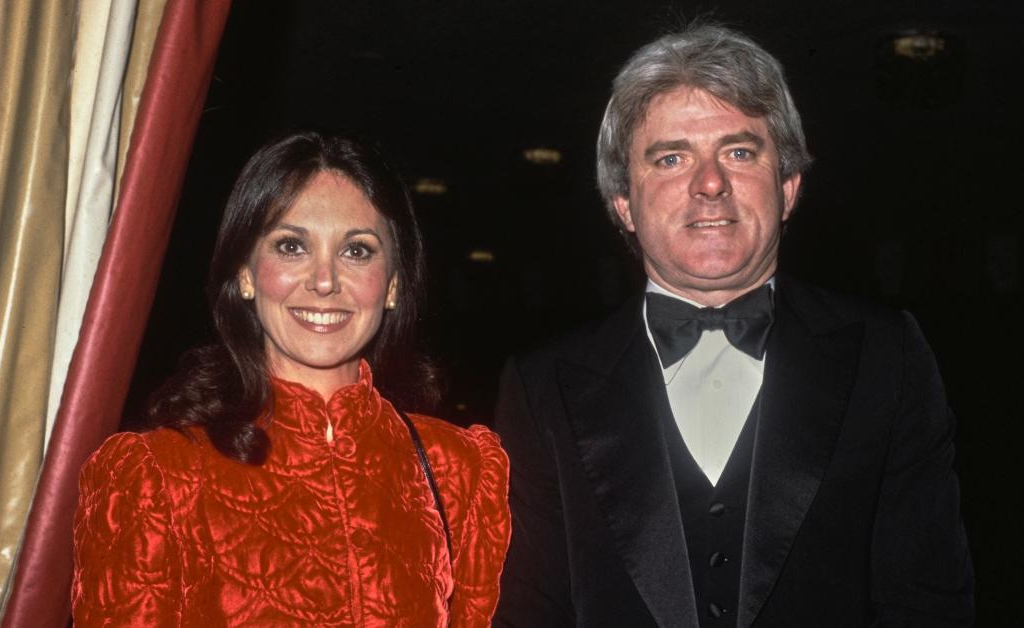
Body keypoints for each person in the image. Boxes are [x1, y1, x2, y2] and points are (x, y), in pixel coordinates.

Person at [492, 24, 973, 627]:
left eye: (740, 152)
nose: (710, 183)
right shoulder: (541, 388)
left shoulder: (888, 355)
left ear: (789, 187)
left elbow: (927, 605)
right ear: (623, 205)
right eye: (671, 158)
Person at [72, 131, 511, 626]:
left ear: (392, 284)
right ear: (244, 273)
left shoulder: (459, 473)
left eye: (357, 251)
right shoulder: (157, 478)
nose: (324, 281)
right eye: (291, 246)